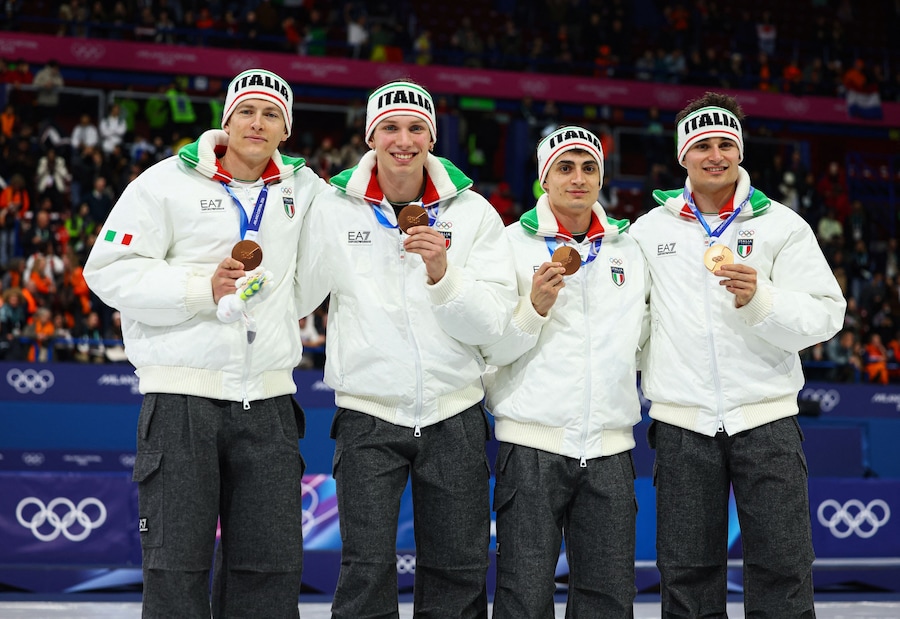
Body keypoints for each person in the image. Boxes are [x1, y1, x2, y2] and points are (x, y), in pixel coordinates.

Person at [84, 68, 328, 619]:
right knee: (176, 572)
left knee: (269, 573)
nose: (257, 123)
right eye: (247, 110)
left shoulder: (304, 191)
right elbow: (107, 271)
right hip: (181, 401)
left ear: (284, 131)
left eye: (272, 114)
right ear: (226, 119)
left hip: (268, 403)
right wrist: (200, 288)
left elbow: (323, 267)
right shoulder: (162, 182)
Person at [295, 80, 517, 618]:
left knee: (458, 570)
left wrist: (443, 274)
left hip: (454, 412)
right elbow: (299, 295)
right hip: (368, 414)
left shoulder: (473, 214)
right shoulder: (334, 208)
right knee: (365, 572)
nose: (403, 139)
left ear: (432, 137)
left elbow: (493, 322)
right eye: (390, 127)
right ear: (371, 135)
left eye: (416, 128)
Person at [630, 92, 846, 618]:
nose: (715, 155)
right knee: (686, 572)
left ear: (741, 150)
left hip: (766, 418)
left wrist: (762, 300)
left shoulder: (782, 225)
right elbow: (628, 324)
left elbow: (827, 313)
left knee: (783, 566)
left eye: (726, 143)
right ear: (683, 155)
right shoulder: (647, 230)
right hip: (683, 423)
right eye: (702, 144)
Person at [480, 126, 649, 617]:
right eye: (565, 167)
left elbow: (642, 339)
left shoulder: (628, 249)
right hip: (532, 443)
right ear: (544, 178)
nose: (578, 178)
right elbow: (489, 347)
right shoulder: (507, 244)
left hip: (611, 447)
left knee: (609, 599)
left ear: (601, 178)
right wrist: (532, 308)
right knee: (523, 597)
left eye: (589, 167)